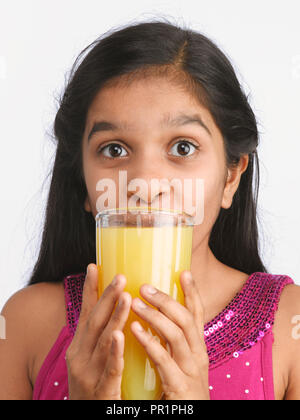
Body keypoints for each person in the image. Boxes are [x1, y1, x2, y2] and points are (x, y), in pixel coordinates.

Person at [1, 19, 299, 400]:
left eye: (183, 148)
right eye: (114, 149)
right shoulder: (26, 322)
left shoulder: (290, 327)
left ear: (230, 177)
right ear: (84, 186)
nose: (144, 184)